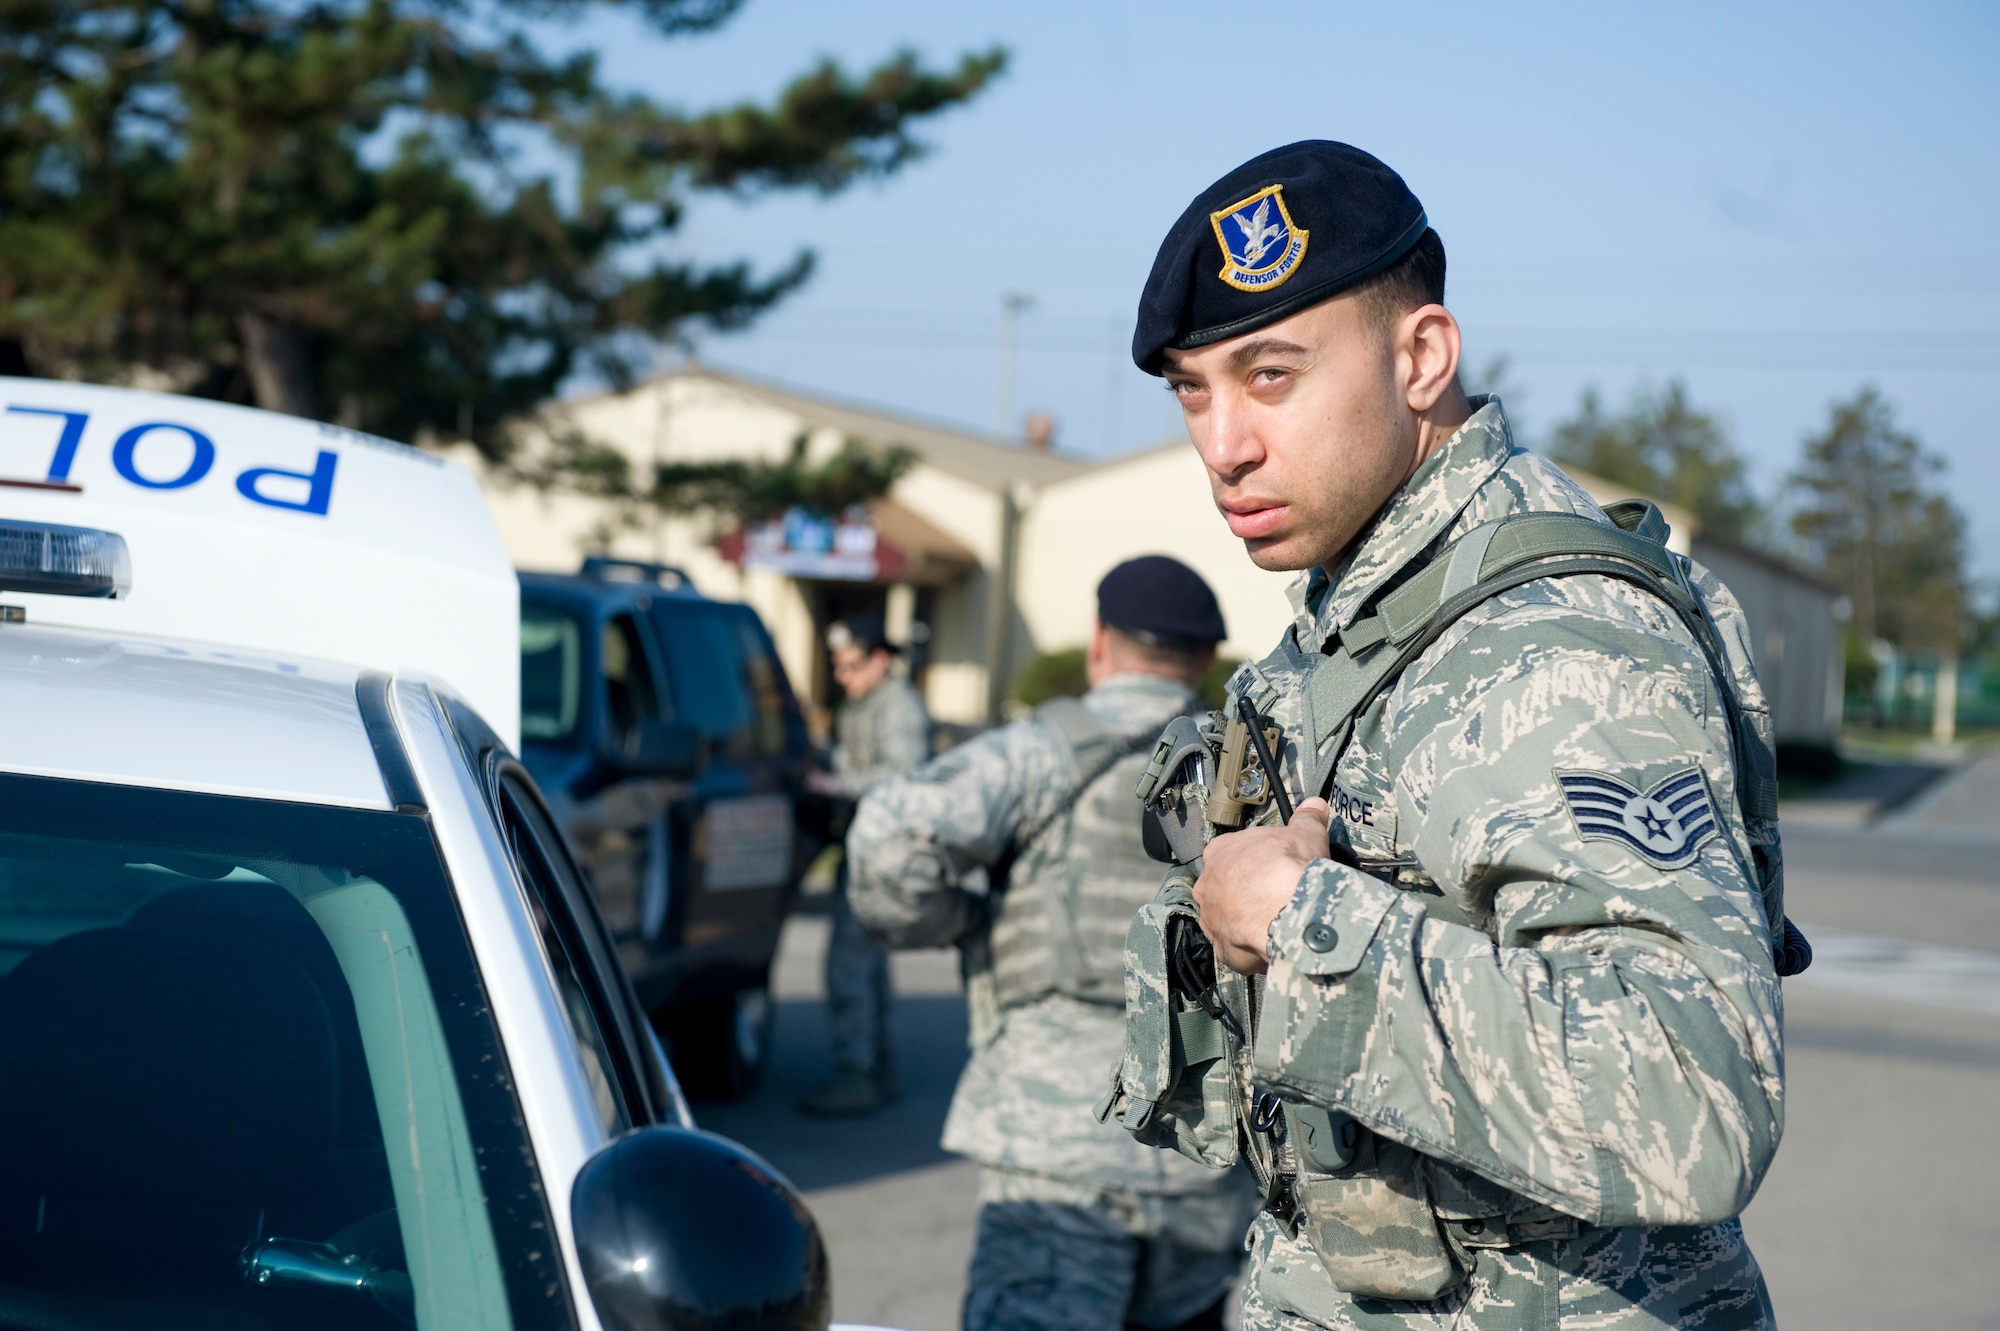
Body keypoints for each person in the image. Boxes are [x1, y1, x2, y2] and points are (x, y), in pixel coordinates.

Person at [1101, 141, 1794, 1329]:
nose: (1222, 445)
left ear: (1420, 356)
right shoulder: (1366, 618)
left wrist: (1297, 925)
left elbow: (1695, 1098)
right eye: (1191, 389)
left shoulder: (1554, 642)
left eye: (1269, 376)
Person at [848, 557, 1262, 1331]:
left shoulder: (1044, 750)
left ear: (1098, 641)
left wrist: (952, 922)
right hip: (1206, 1153)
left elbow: (886, 832)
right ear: (1206, 657)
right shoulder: (1257, 767)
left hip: (1058, 1152)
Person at [798, 612, 931, 1117]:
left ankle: (858, 1073)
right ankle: (877, 1067)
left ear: (880, 660)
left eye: (852, 665)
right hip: (860, 847)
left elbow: (907, 774)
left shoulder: (898, 706)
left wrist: (835, 784)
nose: (841, 676)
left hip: (882, 855)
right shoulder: (862, 705)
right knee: (867, 965)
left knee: (849, 966)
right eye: (837, 665)